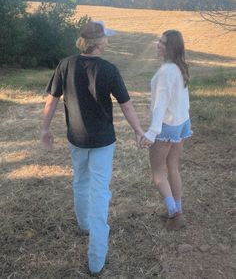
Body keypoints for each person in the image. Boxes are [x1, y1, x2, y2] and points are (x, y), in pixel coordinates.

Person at [40, 21, 144, 276]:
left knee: (80, 181)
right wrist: (139, 131)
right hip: (102, 142)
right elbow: (127, 106)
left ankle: (84, 225)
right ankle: (96, 260)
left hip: (76, 138)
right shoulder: (109, 69)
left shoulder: (66, 64)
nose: (108, 41)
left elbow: (52, 100)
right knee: (99, 193)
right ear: (99, 43)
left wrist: (45, 128)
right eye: (106, 38)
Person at [140, 29, 192, 231]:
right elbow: (182, 100)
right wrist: (183, 122)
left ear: (171, 47)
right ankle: (177, 209)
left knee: (157, 172)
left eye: (163, 42)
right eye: (159, 41)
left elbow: (160, 104)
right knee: (173, 167)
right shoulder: (180, 68)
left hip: (167, 126)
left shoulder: (166, 71)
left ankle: (174, 213)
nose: (158, 44)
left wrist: (152, 132)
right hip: (181, 123)